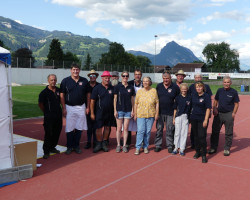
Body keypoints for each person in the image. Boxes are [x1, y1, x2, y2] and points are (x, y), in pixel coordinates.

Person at [60, 63, 90, 155]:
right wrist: (64, 108)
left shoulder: (84, 80)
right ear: (71, 70)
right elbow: (62, 95)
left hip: (81, 107)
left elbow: (88, 94)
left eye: (77, 69)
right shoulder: (65, 81)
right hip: (69, 107)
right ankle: (69, 146)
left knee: (79, 128)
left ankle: (76, 146)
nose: (75, 71)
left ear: (79, 70)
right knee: (69, 128)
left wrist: (88, 107)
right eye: (74, 69)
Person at [208, 76, 239, 156]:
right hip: (219, 114)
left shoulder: (234, 92)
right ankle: (213, 147)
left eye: (228, 82)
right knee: (215, 131)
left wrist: (233, 113)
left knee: (228, 132)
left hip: (229, 114)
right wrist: (214, 108)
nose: (226, 84)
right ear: (223, 83)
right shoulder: (219, 90)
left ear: (230, 83)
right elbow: (215, 100)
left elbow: (236, 104)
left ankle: (227, 149)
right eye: (225, 82)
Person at [90, 71, 116, 153]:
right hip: (99, 112)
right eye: (106, 78)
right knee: (98, 128)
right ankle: (99, 144)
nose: (107, 79)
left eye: (108, 78)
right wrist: (92, 113)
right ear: (102, 78)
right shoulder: (97, 88)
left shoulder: (112, 88)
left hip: (109, 112)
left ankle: (104, 143)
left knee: (107, 127)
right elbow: (92, 101)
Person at [154, 71, 180, 153]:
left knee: (169, 130)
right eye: (164, 78)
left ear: (170, 78)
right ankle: (158, 145)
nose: (165, 80)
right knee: (159, 129)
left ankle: (169, 145)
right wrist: (156, 112)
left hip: (170, 112)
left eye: (167, 78)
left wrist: (176, 112)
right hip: (160, 112)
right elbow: (155, 99)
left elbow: (178, 100)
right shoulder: (159, 86)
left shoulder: (175, 87)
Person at [38, 74, 62, 159]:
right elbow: (40, 104)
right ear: (48, 81)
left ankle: (52, 147)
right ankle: (46, 151)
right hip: (49, 117)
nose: (53, 81)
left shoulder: (59, 90)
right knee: (48, 134)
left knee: (57, 132)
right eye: (51, 80)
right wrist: (46, 111)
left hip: (58, 116)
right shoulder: (44, 93)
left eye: (55, 80)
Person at [134, 77, 159, 155]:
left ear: (149, 82)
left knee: (147, 132)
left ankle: (145, 147)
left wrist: (156, 113)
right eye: (144, 81)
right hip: (141, 114)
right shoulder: (139, 91)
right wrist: (135, 114)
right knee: (140, 131)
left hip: (151, 114)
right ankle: (138, 147)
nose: (145, 83)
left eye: (147, 81)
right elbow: (136, 103)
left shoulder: (154, 91)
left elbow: (157, 103)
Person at [188, 73, 212, 149]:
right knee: (194, 131)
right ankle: (194, 144)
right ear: (194, 78)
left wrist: (209, 111)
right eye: (196, 77)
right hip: (194, 113)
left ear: (201, 78)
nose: (198, 79)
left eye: (199, 77)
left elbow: (209, 99)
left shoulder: (206, 87)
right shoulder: (191, 87)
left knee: (202, 132)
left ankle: (202, 147)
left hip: (203, 112)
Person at [190, 81, 211, 163]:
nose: (198, 88)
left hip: (202, 119)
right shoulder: (193, 95)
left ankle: (204, 154)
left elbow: (208, 108)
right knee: (195, 136)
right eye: (197, 87)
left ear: (203, 87)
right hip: (194, 118)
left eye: (200, 87)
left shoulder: (206, 96)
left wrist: (206, 120)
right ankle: (197, 151)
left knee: (202, 136)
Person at [114, 71, 135, 153]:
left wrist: (133, 110)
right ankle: (118, 145)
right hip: (119, 110)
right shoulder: (117, 86)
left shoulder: (131, 87)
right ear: (121, 77)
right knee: (119, 129)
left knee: (126, 128)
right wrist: (115, 110)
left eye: (126, 76)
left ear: (128, 77)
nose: (125, 77)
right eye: (123, 76)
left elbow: (132, 100)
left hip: (128, 111)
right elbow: (115, 99)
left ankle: (125, 145)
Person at [172, 83, 191, 156]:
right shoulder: (177, 98)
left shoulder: (189, 98)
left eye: (185, 89)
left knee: (184, 133)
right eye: (182, 89)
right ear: (180, 89)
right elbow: (175, 109)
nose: (184, 90)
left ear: (187, 89)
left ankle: (182, 148)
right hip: (178, 117)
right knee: (177, 133)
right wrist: (174, 118)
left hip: (185, 117)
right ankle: (176, 147)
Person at [127, 69, 143, 146]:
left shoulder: (144, 84)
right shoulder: (129, 83)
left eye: (139, 74)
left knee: (139, 126)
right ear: (134, 75)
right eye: (136, 74)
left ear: (141, 75)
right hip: (130, 107)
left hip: (140, 108)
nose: (137, 76)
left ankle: (139, 142)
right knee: (128, 125)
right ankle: (127, 142)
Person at [84, 69, 99, 149]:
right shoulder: (86, 85)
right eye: (91, 75)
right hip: (88, 109)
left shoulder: (99, 85)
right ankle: (89, 142)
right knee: (89, 127)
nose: (92, 77)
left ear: (96, 77)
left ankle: (95, 142)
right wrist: (87, 107)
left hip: (97, 109)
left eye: (94, 75)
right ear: (89, 77)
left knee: (96, 127)